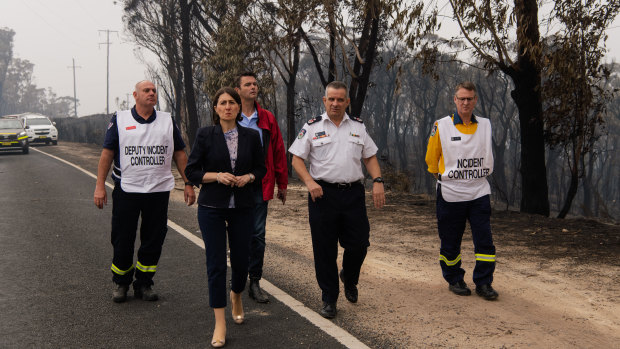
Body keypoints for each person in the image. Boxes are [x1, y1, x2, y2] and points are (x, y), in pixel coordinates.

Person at [289, 81, 385, 319]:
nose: (335, 103)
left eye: (340, 99)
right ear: (324, 100)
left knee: (359, 244)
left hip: (353, 194)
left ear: (347, 102)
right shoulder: (312, 127)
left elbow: (370, 156)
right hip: (322, 195)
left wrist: (378, 181)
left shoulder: (358, 127)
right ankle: (329, 298)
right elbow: (296, 160)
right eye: (331, 99)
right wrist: (310, 182)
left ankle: (349, 278)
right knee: (324, 250)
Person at [93, 80, 196, 303]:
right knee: (122, 237)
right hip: (127, 188)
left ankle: (144, 283)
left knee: (154, 238)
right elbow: (107, 154)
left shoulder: (166, 120)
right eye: (146, 91)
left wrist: (188, 182)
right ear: (135, 95)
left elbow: (179, 153)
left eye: (153, 91)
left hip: (158, 190)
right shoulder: (120, 119)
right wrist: (100, 185)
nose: (151, 94)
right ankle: (121, 283)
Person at [185, 87, 266, 348]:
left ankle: (237, 295)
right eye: (223, 103)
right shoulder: (205, 135)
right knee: (216, 263)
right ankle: (220, 322)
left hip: (242, 206)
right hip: (212, 208)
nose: (228, 106)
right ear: (216, 108)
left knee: (242, 260)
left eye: (232, 102)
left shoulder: (252, 136)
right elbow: (192, 170)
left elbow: (261, 168)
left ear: (239, 107)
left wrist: (249, 177)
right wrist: (217, 176)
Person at [424, 81, 498, 301]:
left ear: (475, 101)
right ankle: (454, 278)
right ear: (455, 100)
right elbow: (431, 159)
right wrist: (444, 178)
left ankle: (484, 283)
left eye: (470, 99)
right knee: (450, 240)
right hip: (451, 194)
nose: (466, 102)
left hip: (479, 193)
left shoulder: (485, 124)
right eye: (462, 98)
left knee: (484, 241)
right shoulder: (442, 125)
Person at [234, 72, 288, 303]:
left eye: (255, 84)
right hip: (233, 185)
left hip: (259, 184)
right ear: (238, 90)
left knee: (258, 235)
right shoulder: (229, 114)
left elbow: (278, 151)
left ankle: (255, 281)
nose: (253, 87)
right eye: (248, 84)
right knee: (236, 234)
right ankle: (237, 278)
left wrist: (282, 183)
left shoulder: (266, 118)